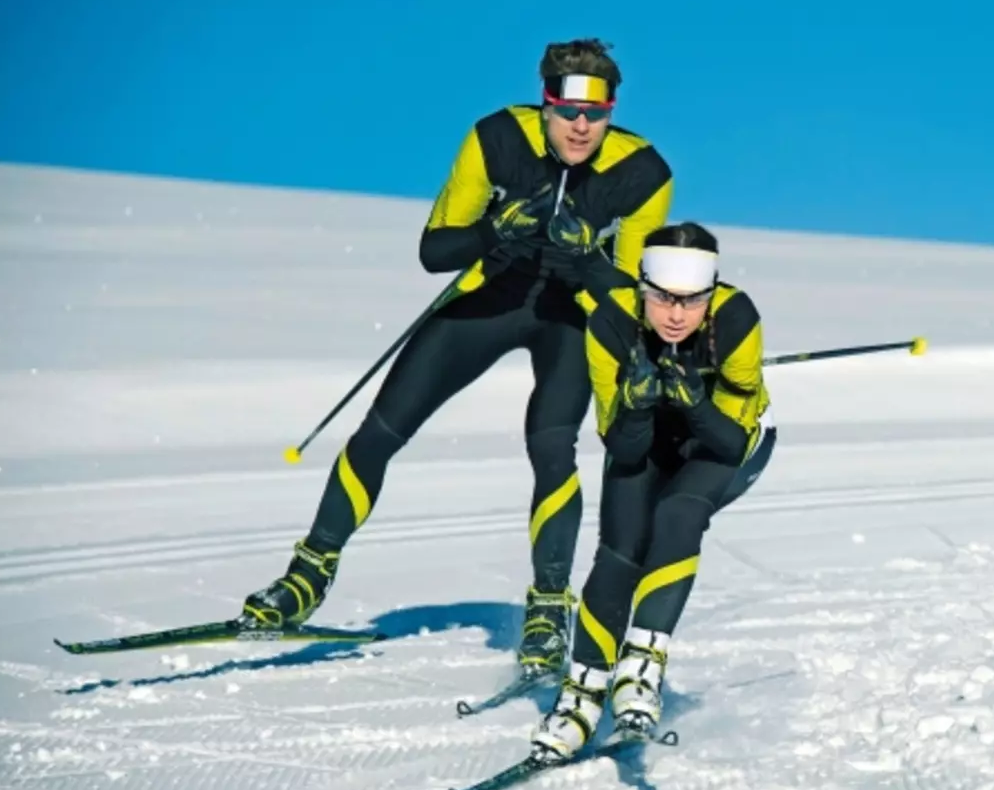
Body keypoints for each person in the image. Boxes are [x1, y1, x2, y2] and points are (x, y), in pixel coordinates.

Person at [239, 39, 674, 675]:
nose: (582, 127)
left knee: (552, 447)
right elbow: (435, 252)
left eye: (597, 114)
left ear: (611, 112)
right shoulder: (495, 138)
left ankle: (549, 610)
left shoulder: (643, 172)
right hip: (486, 301)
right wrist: (499, 228)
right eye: (567, 111)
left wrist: (587, 258)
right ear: (545, 104)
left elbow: (633, 297)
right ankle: (307, 574)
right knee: (381, 431)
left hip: (570, 317)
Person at [529, 222, 777, 760]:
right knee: (619, 552)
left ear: (711, 295)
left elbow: (730, 443)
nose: (675, 314)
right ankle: (581, 692)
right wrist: (638, 404)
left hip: (726, 445)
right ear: (641, 287)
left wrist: (693, 402)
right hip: (649, 442)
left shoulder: (735, 320)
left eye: (692, 302)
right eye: (662, 297)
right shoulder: (611, 321)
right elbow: (621, 447)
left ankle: (641, 672)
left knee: (677, 514)